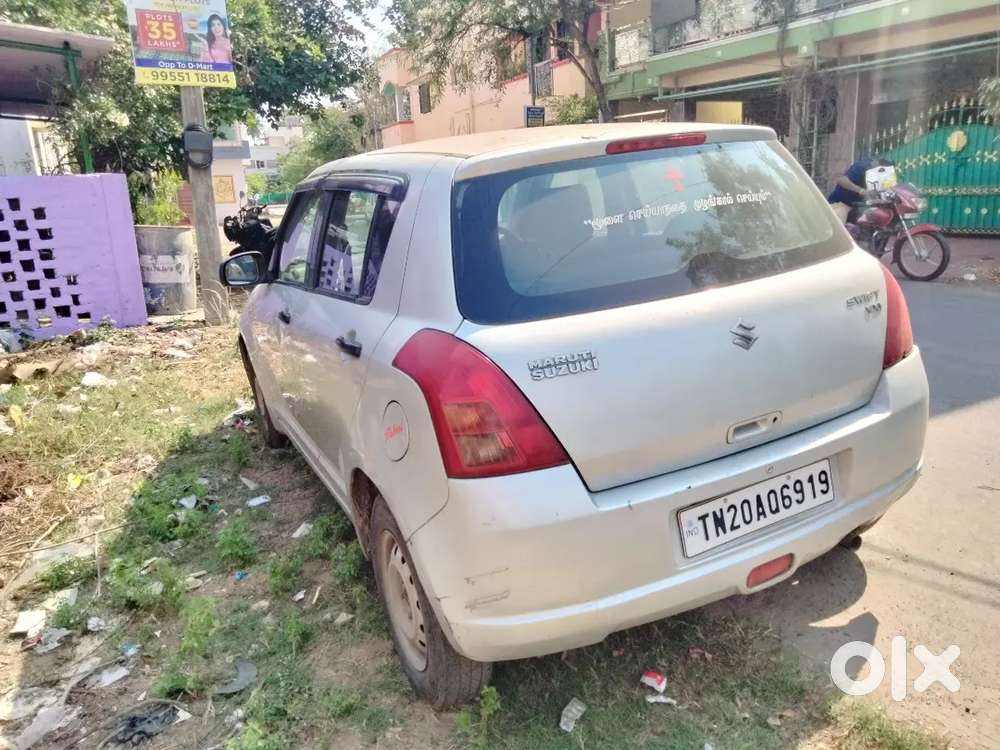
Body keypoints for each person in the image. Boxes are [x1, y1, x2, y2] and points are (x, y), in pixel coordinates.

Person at [827, 157, 893, 223]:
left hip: (860, 207)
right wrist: (861, 191)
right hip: (842, 204)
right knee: (838, 229)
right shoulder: (862, 167)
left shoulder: (884, 173)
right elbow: (840, 179)